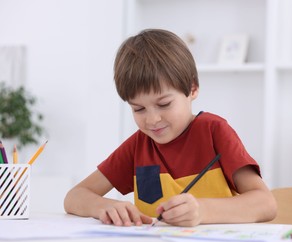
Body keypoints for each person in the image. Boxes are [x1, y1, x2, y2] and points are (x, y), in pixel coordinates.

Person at [64, 29, 277, 227]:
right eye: (138, 109)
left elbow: (266, 203)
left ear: (192, 89)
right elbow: (74, 196)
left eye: (164, 104)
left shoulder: (214, 132)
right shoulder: (139, 145)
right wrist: (105, 206)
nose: (152, 119)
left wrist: (202, 211)